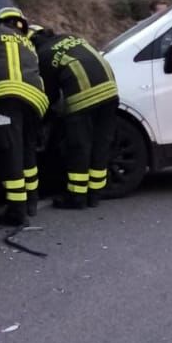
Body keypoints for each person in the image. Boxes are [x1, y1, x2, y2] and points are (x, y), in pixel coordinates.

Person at [30, 26, 119, 209]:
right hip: (111, 92)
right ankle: (94, 194)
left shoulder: (44, 55)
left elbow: (49, 94)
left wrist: (41, 120)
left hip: (83, 98)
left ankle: (77, 197)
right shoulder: (72, 37)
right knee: (101, 144)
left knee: (80, 146)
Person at [0, 7, 50, 226]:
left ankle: (16, 211)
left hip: (7, 97)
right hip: (36, 102)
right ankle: (31, 201)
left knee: (10, 151)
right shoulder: (28, 43)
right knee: (27, 151)